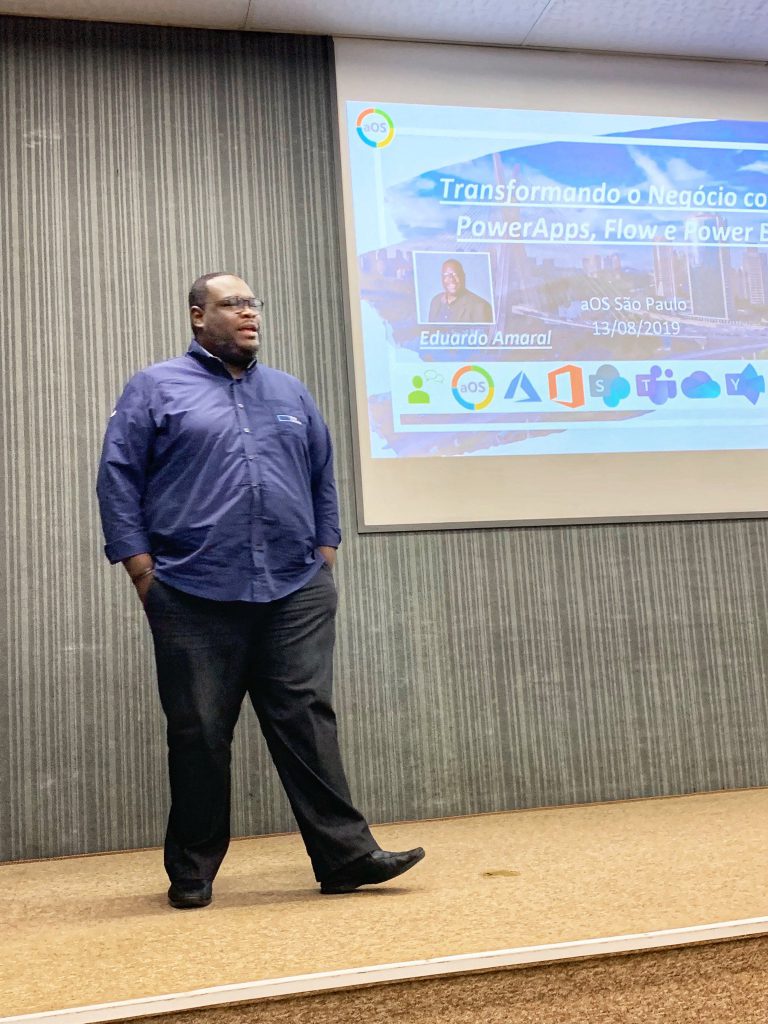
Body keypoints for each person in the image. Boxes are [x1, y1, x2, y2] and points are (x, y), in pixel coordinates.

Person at [97, 272, 424, 909]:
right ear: (198, 316)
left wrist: (325, 552)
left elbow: (322, 475)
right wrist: (142, 571)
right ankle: (192, 870)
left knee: (307, 721)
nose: (249, 313)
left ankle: (345, 858)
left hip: (293, 587)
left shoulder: (290, 391)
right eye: (233, 304)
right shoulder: (155, 387)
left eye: (253, 304)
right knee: (199, 733)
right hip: (191, 588)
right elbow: (118, 478)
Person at [427, 258, 493, 323]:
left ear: (463, 276)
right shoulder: (435, 301)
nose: (451, 279)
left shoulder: (480, 307)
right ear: (442, 278)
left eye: (455, 274)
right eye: (446, 275)